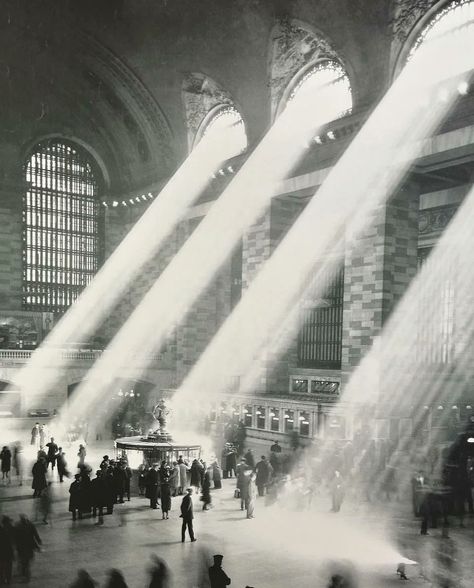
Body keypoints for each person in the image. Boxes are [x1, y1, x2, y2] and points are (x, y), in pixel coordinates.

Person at [14, 515, 42, 583]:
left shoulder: (18, 526)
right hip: (26, 547)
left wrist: (38, 541)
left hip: (24, 547)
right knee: (25, 561)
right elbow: (35, 534)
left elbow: (15, 537)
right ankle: (25, 575)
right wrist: (38, 542)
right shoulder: (28, 525)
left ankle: (25, 576)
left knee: (24, 562)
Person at [0, 515, 14, 585]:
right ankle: (5, 580)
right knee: (5, 568)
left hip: (5, 554)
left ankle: (6, 580)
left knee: (5, 568)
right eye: (8, 522)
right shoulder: (4, 531)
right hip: (5, 554)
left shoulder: (8, 529)